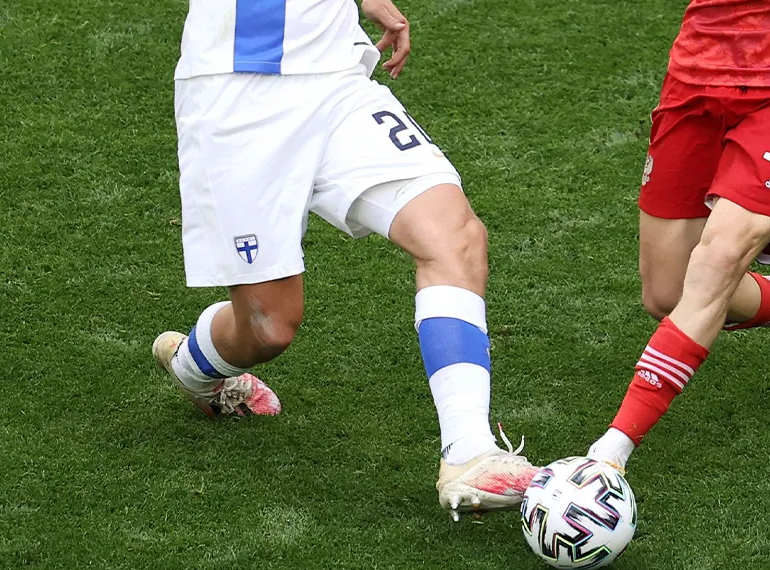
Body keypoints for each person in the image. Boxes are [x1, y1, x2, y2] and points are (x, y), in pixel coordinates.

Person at [152, 0, 534, 519]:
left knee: (456, 236)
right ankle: (194, 368)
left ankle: (469, 451)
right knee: (270, 328)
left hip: (334, 78)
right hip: (235, 89)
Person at [585, 0, 770, 469]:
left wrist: (608, 455)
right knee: (668, 291)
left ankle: (609, 454)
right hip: (700, 66)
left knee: (718, 259)